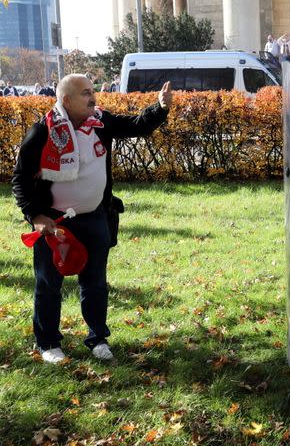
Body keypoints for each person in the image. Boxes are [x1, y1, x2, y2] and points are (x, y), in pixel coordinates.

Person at [11, 74, 172, 364]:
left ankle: (97, 338)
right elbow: (20, 179)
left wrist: (158, 109)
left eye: (92, 92)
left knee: (95, 283)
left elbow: (135, 125)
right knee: (49, 284)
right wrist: (36, 215)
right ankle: (47, 342)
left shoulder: (101, 122)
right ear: (66, 100)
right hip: (55, 225)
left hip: (95, 217)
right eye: (85, 93)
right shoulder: (42, 131)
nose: (93, 97)